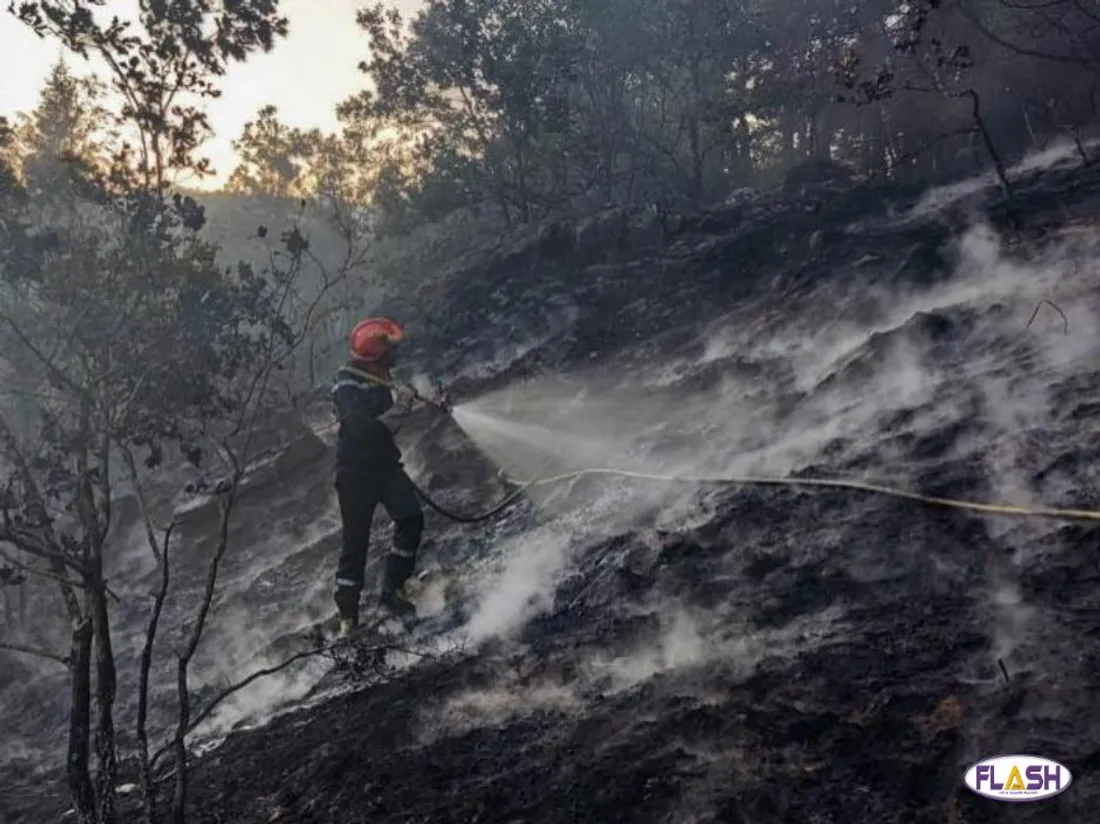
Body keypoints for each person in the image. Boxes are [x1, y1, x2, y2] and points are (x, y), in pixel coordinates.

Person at [330, 316, 425, 638]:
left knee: (411, 518)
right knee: (355, 543)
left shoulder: (380, 379)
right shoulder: (347, 385)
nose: (397, 354)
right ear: (378, 353)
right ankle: (348, 620)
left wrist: (403, 398)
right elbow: (364, 431)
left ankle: (393, 590)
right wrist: (401, 408)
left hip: (385, 466)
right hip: (356, 473)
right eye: (391, 349)